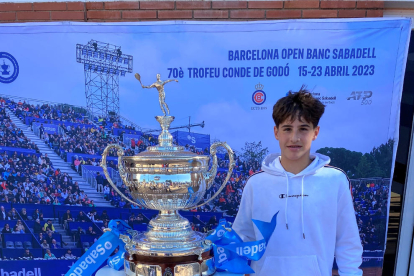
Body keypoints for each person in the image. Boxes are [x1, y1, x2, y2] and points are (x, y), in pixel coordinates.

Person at [232, 88, 363, 276]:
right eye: (287, 129)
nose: (294, 138)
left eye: (303, 129)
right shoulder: (256, 183)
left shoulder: (335, 180)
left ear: (315, 132)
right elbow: (241, 238)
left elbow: (347, 242)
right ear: (276, 132)